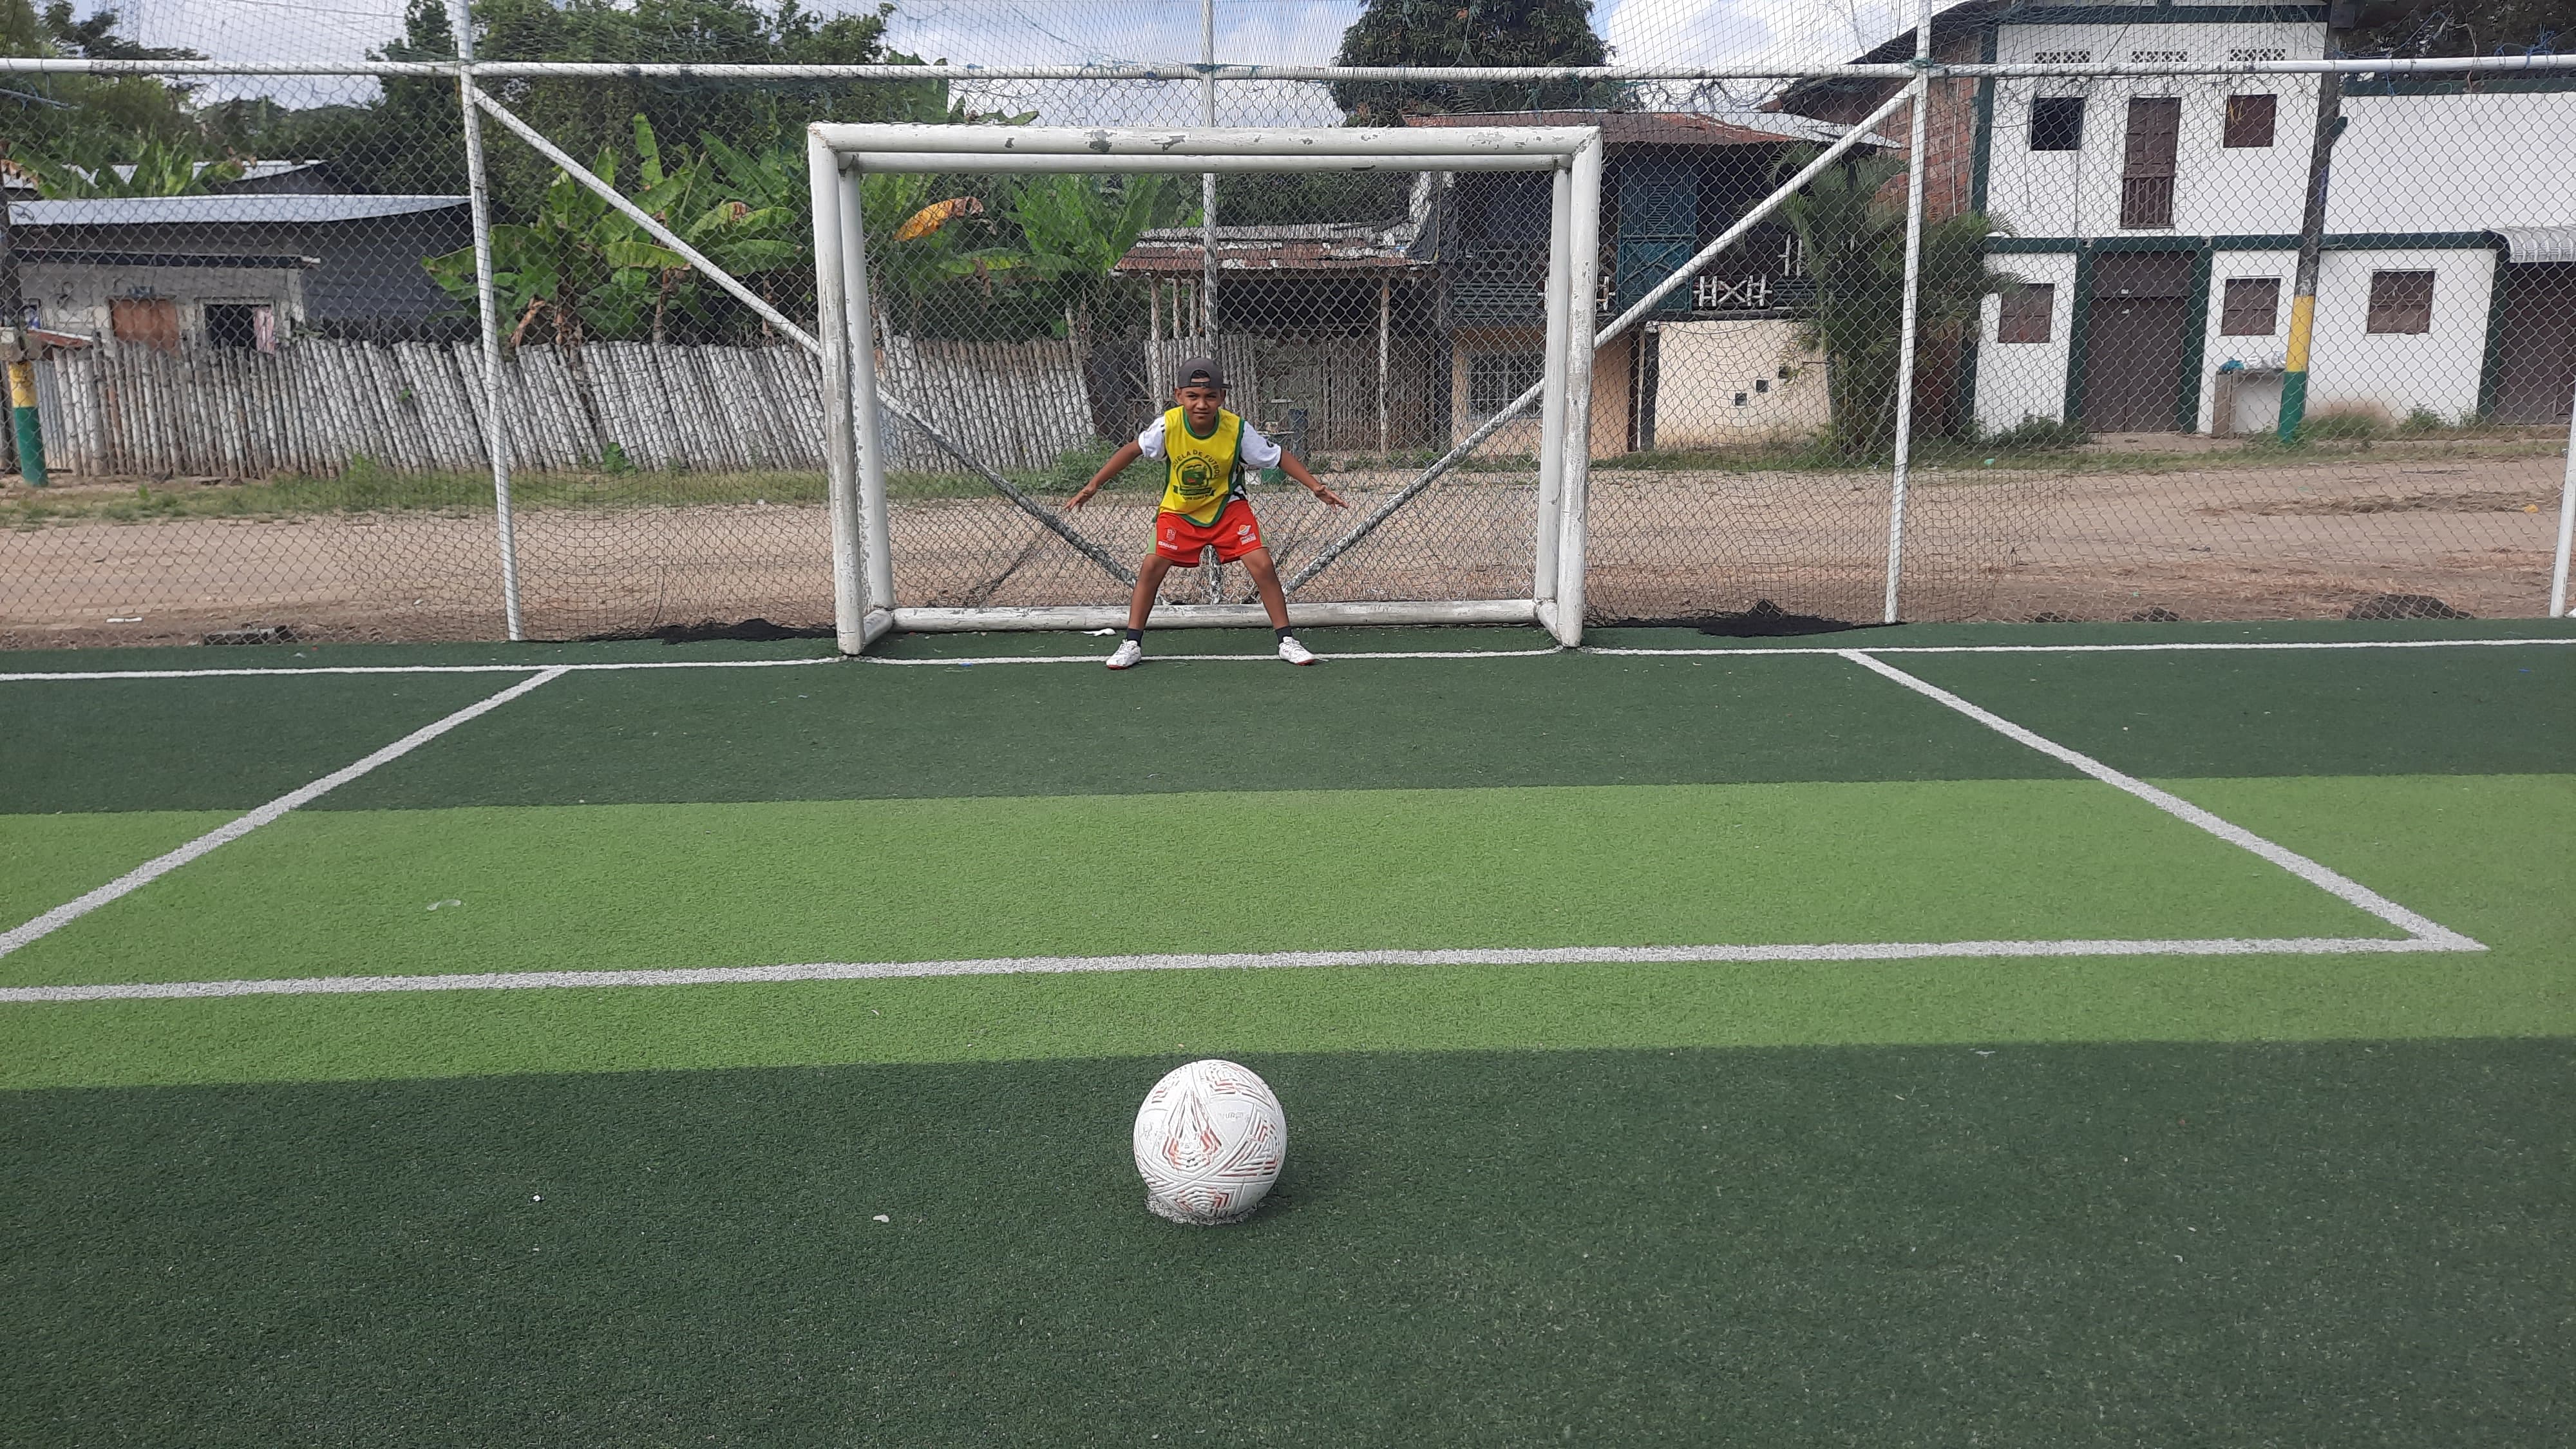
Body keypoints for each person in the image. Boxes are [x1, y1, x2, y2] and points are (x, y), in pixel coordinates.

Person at [1065, 357, 1348, 669]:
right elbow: (1132, 450)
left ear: (1221, 397)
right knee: (1151, 568)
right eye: (1193, 396)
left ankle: (1287, 641)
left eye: (1210, 396)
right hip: (1180, 511)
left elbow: (1278, 456)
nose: (1202, 404)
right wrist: (1093, 486)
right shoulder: (1168, 425)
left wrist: (1316, 487)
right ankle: (1131, 643)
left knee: (1263, 565)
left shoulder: (1237, 428)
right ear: (1178, 396)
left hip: (1228, 508)